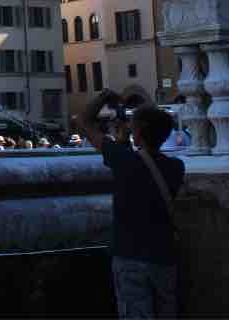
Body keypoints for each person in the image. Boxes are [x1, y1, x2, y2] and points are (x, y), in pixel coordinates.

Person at [74, 89, 185, 319]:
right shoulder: (176, 167)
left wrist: (104, 97)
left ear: (138, 133)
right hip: (164, 256)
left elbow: (83, 121)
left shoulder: (123, 160)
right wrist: (128, 137)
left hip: (130, 256)